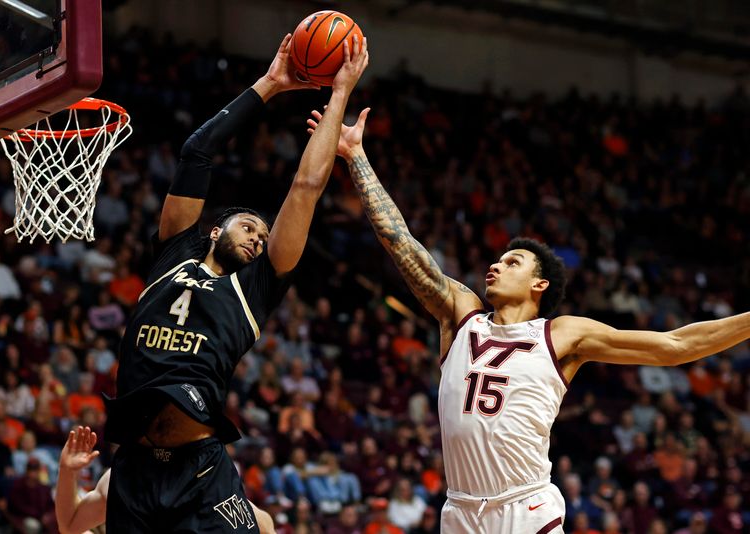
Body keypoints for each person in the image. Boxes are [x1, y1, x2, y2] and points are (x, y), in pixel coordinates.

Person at [306, 106, 750, 533]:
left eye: (513, 262)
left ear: (539, 285)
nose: (496, 266)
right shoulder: (463, 316)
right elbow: (400, 242)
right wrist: (357, 157)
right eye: (496, 260)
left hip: (525, 506)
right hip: (460, 509)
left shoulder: (562, 333)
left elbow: (676, 346)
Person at [103, 34, 369, 533]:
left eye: (262, 235)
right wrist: (269, 84)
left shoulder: (257, 287)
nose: (257, 238)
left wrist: (338, 96)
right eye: (248, 226)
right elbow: (197, 151)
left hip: (200, 473)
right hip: (133, 470)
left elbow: (306, 188)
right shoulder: (174, 249)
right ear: (213, 229)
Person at [55, 426, 276, 534]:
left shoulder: (210, 478)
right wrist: (67, 471)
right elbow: (71, 523)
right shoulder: (122, 477)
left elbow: (264, 524)